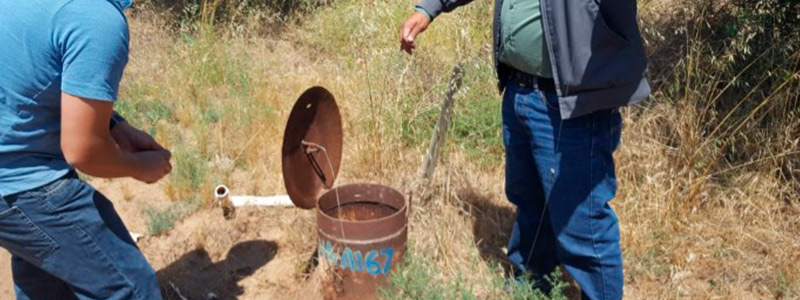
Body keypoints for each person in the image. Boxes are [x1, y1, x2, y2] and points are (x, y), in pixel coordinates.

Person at [400, 0, 650, 299]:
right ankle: (533, 285)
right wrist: (430, 8)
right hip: (520, 89)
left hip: (573, 101)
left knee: (582, 225)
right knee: (531, 200)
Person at [0, 0, 171, 299]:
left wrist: (115, 126)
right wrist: (140, 167)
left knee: (49, 283)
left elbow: (29, 77)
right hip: (20, 183)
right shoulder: (97, 20)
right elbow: (83, 151)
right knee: (130, 288)